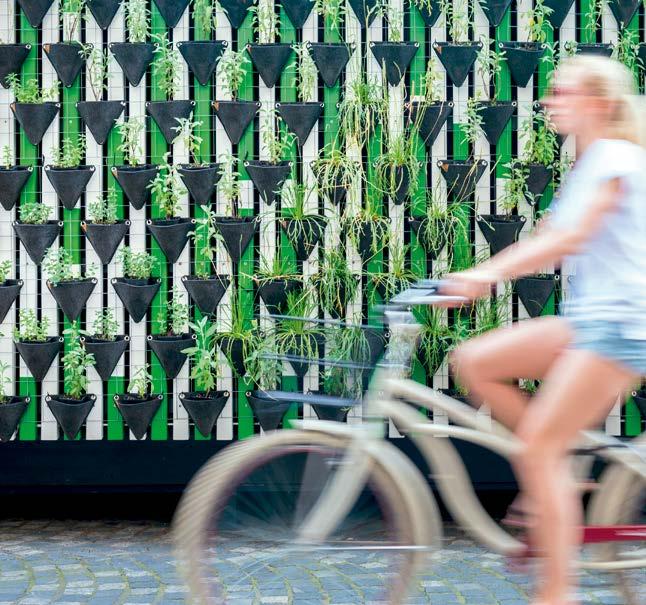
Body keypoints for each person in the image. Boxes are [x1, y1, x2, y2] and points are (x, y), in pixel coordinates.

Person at [442, 55, 646, 605]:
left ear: (599, 103)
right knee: (475, 361)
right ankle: (557, 466)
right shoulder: (588, 162)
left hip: (620, 326)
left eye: (565, 92)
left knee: (537, 450)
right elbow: (549, 235)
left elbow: (567, 239)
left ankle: (556, 594)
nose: (551, 101)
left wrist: (484, 276)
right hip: (589, 321)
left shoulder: (615, 157)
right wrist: (467, 276)